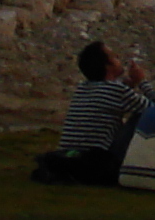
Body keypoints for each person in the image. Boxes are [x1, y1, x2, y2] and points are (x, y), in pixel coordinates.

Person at [49, 40, 144, 185]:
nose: (119, 59)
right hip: (98, 162)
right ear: (107, 66)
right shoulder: (117, 91)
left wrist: (128, 85)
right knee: (141, 115)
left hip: (67, 158)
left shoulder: (82, 88)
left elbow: (109, 95)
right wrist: (143, 82)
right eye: (114, 57)